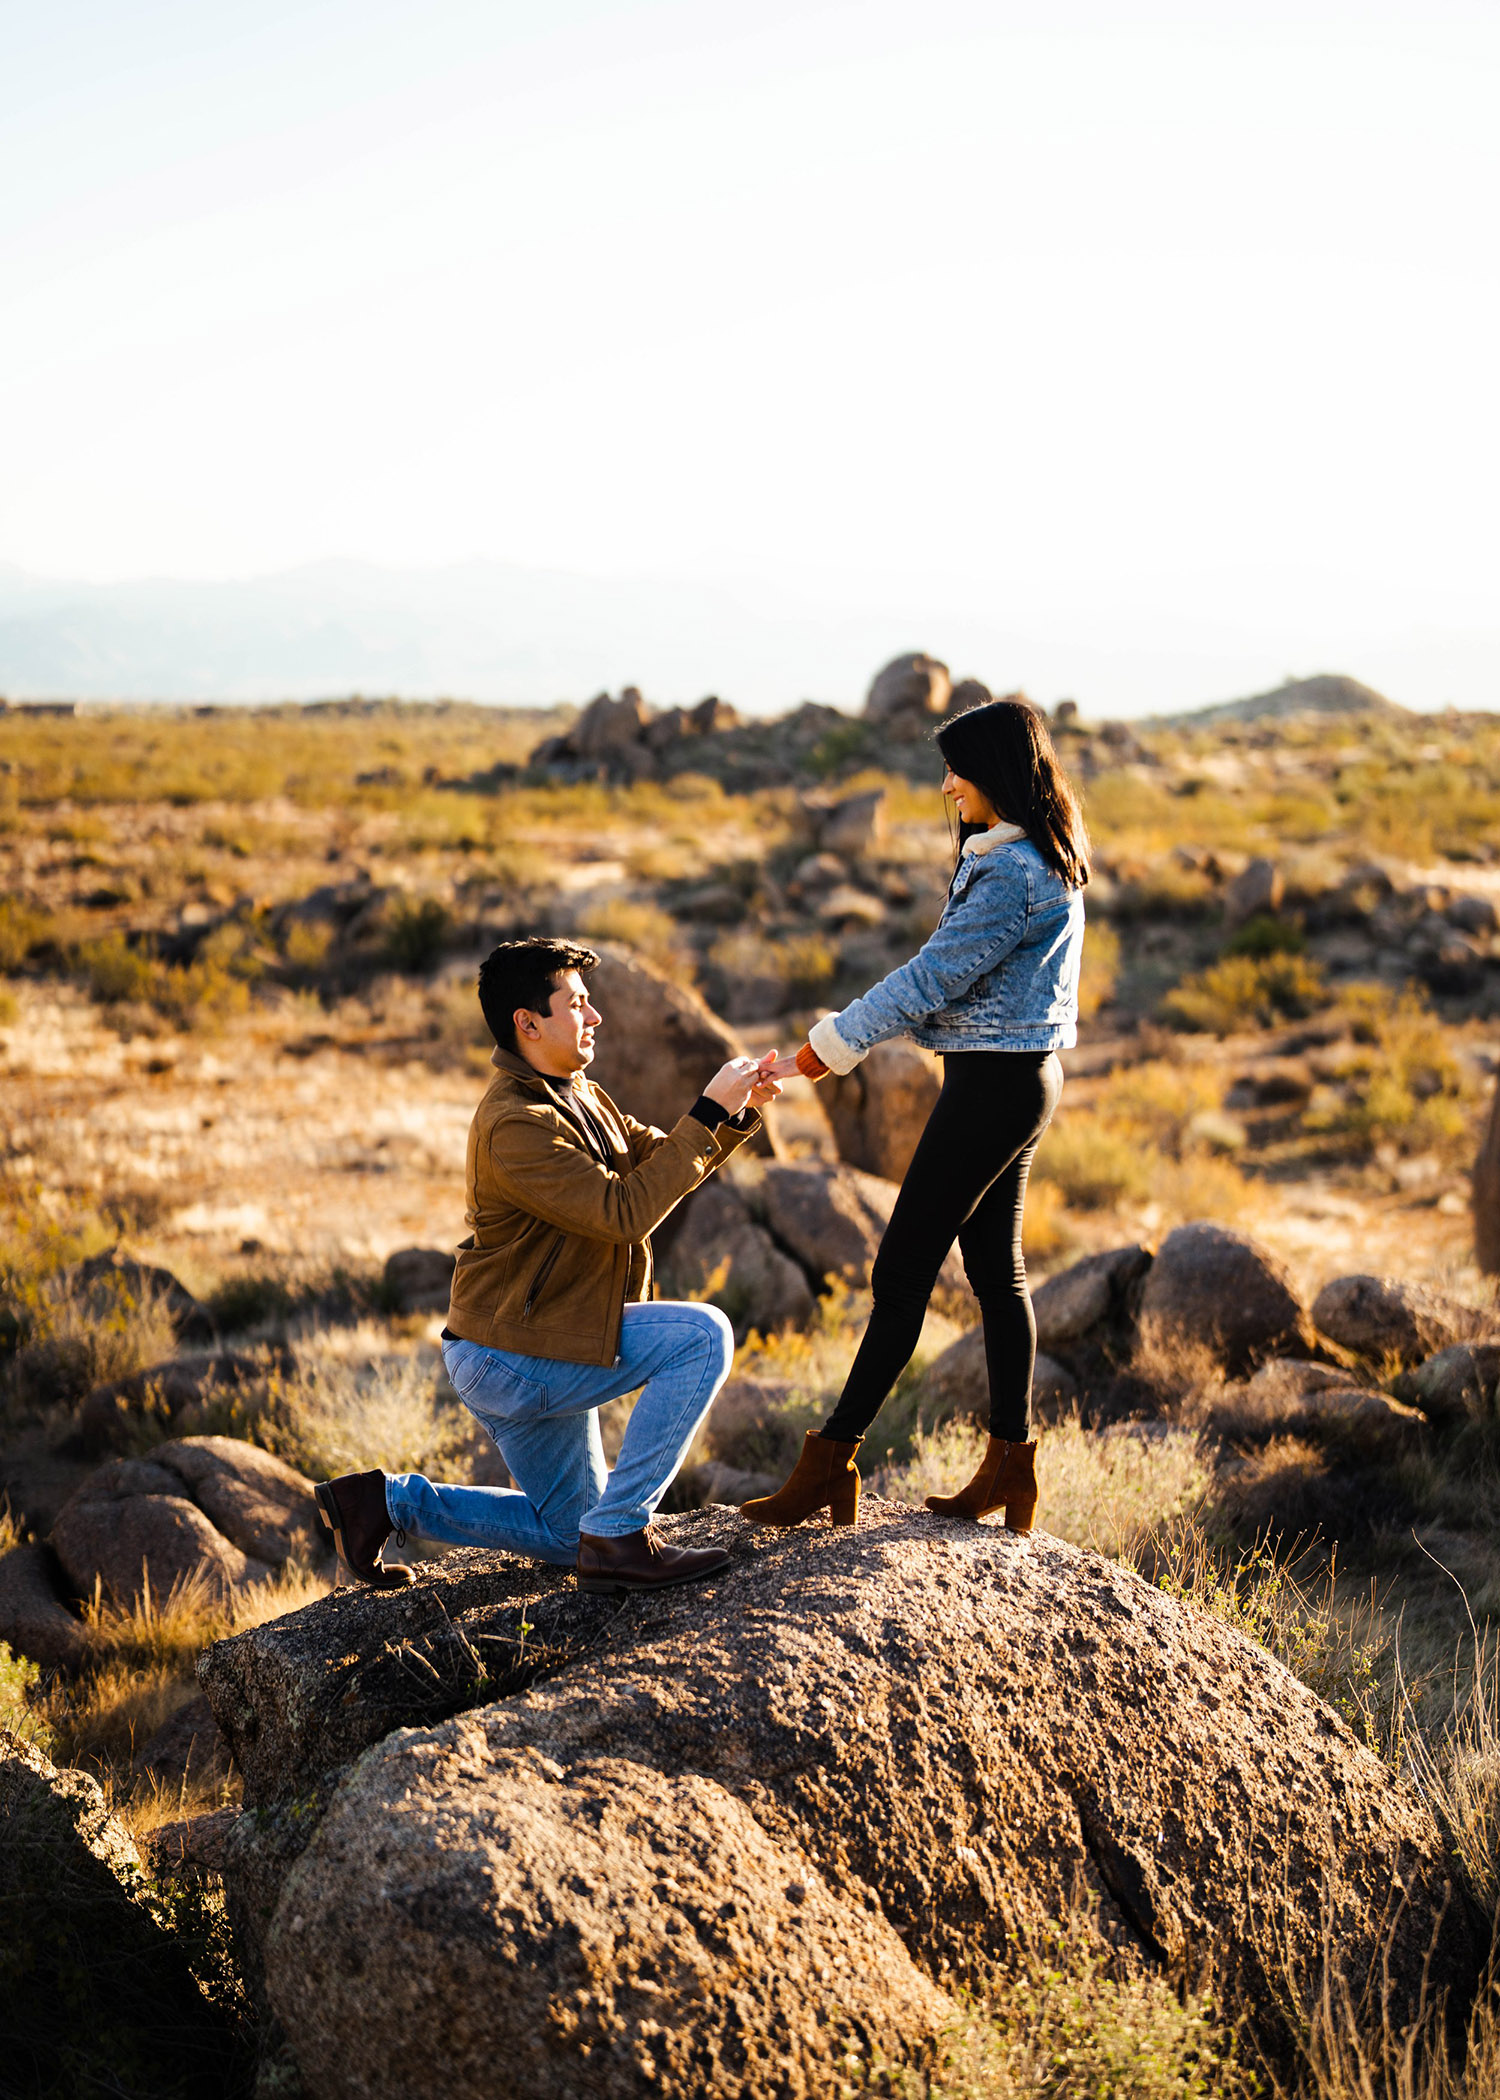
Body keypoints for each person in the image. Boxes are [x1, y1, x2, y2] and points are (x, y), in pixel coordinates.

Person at [314, 937, 782, 1595]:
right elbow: (625, 1212)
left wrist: (733, 1114)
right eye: (578, 1003)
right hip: (510, 1355)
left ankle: (382, 1504)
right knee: (701, 1338)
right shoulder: (515, 1123)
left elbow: (657, 1161)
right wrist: (707, 1111)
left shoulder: (578, 1093)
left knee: (568, 1536)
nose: (595, 1016)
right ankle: (622, 1534)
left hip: (541, 1336)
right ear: (528, 1024)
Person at [741, 697, 1087, 1536]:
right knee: (996, 1273)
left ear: (994, 770)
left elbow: (931, 979)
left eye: (957, 771)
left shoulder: (1009, 872)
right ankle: (1010, 1468)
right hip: (1021, 1079)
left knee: (899, 1278)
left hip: (993, 1089)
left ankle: (829, 1462)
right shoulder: (1042, 853)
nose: (946, 787)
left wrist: (825, 1049)